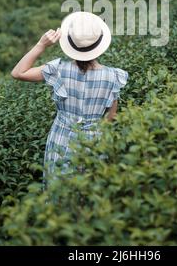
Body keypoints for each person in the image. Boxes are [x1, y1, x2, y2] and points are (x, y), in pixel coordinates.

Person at [11, 11, 128, 186]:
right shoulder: (114, 76)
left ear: (70, 44)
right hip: (94, 144)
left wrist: (41, 44)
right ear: (99, 44)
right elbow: (110, 118)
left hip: (61, 140)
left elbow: (18, 73)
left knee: (57, 196)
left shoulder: (58, 69)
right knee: (89, 199)